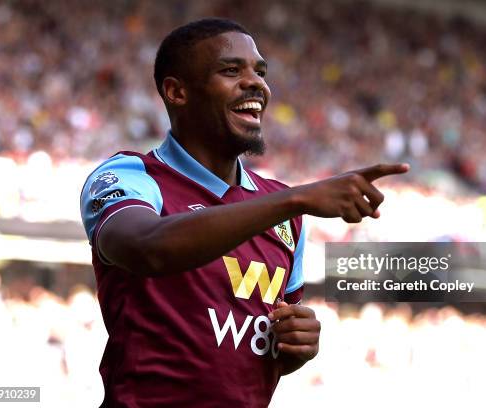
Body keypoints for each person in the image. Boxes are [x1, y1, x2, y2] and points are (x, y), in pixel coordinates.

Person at [80, 18, 408, 407]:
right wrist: (295, 200)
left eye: (260, 71)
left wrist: (295, 344)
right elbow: (149, 248)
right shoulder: (131, 177)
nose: (257, 83)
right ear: (176, 91)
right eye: (231, 70)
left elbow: (242, 349)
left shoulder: (284, 209)